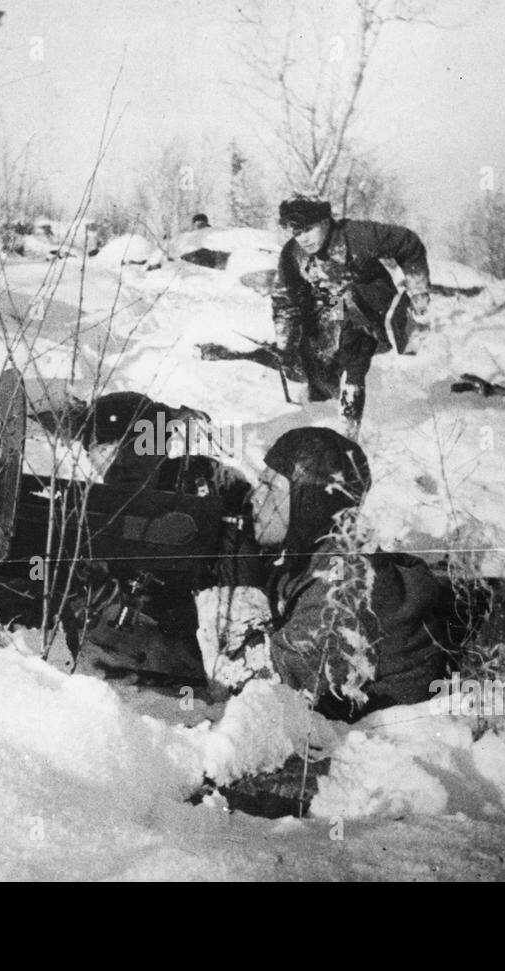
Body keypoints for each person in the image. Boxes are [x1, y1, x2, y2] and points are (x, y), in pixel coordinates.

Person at [196, 427, 448, 719]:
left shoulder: (343, 594)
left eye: (270, 488)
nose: (255, 497)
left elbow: (241, 686)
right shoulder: (319, 557)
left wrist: (238, 587)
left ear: (310, 502)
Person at [271, 197, 432, 439]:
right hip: (336, 303)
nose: (303, 238)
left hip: (373, 298)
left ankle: (349, 428)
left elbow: (409, 243)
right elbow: (285, 300)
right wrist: (286, 346)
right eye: (297, 232)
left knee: (352, 346)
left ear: (325, 221)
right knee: (327, 349)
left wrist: (417, 289)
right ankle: (330, 413)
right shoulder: (293, 254)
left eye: (308, 229)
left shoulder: (358, 235)